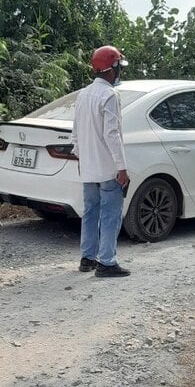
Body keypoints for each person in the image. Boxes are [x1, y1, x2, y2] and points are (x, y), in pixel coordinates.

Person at [71, 45, 131, 278]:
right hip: (107, 168)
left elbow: (75, 133)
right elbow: (112, 134)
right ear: (112, 68)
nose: (120, 73)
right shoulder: (109, 95)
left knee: (91, 213)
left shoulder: (83, 94)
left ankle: (87, 258)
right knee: (110, 214)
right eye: (119, 68)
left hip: (88, 168)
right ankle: (107, 261)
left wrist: (80, 158)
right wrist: (122, 167)